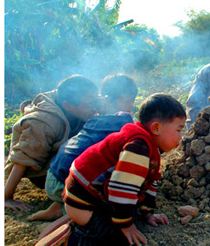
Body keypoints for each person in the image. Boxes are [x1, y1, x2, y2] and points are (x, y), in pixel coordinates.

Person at [27, 93, 186, 246]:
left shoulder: (148, 147)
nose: (181, 137)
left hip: (93, 195)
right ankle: (70, 238)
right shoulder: (138, 147)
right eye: (179, 129)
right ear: (156, 128)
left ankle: (76, 219)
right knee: (119, 237)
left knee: (128, 217)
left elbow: (146, 183)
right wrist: (126, 225)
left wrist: (147, 213)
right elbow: (121, 188)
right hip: (84, 199)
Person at [27, 73, 138, 221]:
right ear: (106, 100)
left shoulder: (96, 120)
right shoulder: (121, 123)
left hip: (53, 175)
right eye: (129, 101)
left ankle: (60, 204)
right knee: (114, 202)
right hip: (64, 182)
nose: (131, 106)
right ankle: (64, 211)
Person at [4, 75, 99, 212]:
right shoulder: (45, 122)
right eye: (90, 105)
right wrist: (6, 197)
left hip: (60, 158)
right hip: (44, 173)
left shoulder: (74, 103)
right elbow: (23, 158)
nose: (95, 109)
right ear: (68, 106)